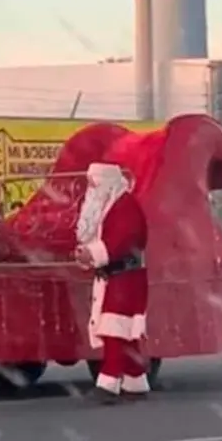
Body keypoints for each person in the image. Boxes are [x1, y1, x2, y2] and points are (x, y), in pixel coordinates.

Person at [74, 162, 149, 404]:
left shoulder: (124, 205)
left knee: (114, 329)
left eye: (95, 183)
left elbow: (123, 240)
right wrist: (86, 254)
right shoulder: (112, 204)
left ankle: (108, 383)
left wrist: (93, 253)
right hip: (115, 275)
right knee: (124, 331)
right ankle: (136, 380)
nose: (92, 188)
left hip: (126, 276)